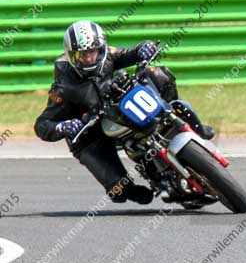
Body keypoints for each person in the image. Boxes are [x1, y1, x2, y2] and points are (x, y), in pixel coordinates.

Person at [34, 20, 215, 204]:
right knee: (119, 191)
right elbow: (42, 125)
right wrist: (65, 126)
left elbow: (131, 52)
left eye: (92, 51)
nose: (88, 58)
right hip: (90, 133)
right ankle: (144, 185)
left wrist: (145, 48)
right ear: (71, 55)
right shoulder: (63, 86)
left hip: (117, 108)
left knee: (157, 73)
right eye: (81, 54)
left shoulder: (108, 55)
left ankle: (189, 126)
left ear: (101, 48)